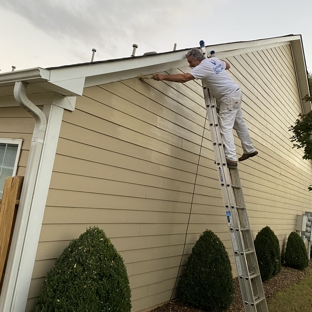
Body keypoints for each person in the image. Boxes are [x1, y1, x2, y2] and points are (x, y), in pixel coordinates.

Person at [152, 48, 258, 168]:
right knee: (239, 123)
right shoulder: (213, 61)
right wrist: (215, 59)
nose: (189, 65)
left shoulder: (203, 66)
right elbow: (227, 65)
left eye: (190, 62)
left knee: (225, 126)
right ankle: (249, 149)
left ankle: (231, 158)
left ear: (197, 59)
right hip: (235, 93)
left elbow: (184, 78)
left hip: (228, 97)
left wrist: (162, 77)